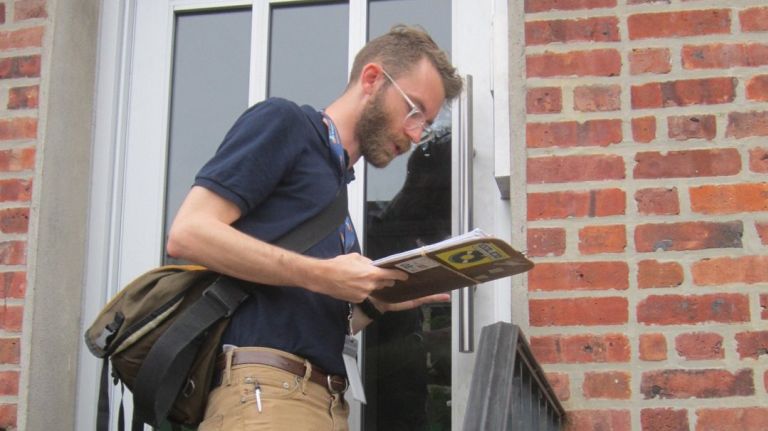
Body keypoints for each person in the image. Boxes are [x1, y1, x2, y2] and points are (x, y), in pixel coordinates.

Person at [166, 24, 463, 431]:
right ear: (373, 79)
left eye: (425, 124)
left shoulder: (335, 190)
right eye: (413, 110)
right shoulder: (285, 122)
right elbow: (188, 232)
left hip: (320, 401)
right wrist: (324, 275)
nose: (415, 134)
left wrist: (379, 302)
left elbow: (311, 318)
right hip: (265, 393)